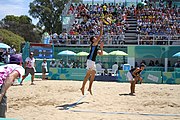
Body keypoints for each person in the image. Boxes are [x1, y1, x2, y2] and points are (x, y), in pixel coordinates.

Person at [80, 22, 104, 95]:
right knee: (88, 75)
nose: (96, 38)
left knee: (92, 75)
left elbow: (101, 54)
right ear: (93, 40)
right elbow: (100, 36)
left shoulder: (95, 47)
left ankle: (88, 88)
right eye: (94, 38)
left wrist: (102, 48)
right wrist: (101, 28)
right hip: (90, 61)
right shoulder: (93, 44)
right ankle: (84, 87)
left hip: (92, 62)